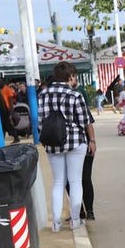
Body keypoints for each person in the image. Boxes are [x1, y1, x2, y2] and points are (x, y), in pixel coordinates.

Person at [38, 61, 95, 232]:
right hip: (75, 142)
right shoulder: (75, 96)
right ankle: (75, 220)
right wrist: (91, 140)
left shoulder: (43, 95)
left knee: (58, 182)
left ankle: (56, 223)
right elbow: (85, 121)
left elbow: (40, 122)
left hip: (53, 143)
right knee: (75, 180)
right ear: (70, 76)